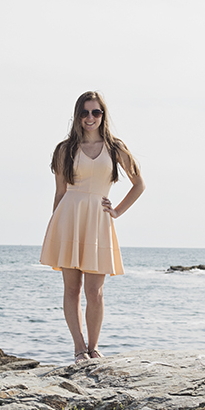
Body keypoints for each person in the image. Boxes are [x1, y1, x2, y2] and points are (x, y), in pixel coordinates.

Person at [39, 91, 145, 362]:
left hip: (98, 221)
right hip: (69, 220)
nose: (90, 117)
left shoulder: (115, 148)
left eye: (96, 112)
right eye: (85, 112)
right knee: (72, 290)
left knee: (95, 291)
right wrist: (55, 229)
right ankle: (78, 349)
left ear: (103, 115)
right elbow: (60, 192)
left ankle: (94, 348)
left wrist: (117, 211)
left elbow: (139, 184)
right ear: (77, 115)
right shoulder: (65, 149)